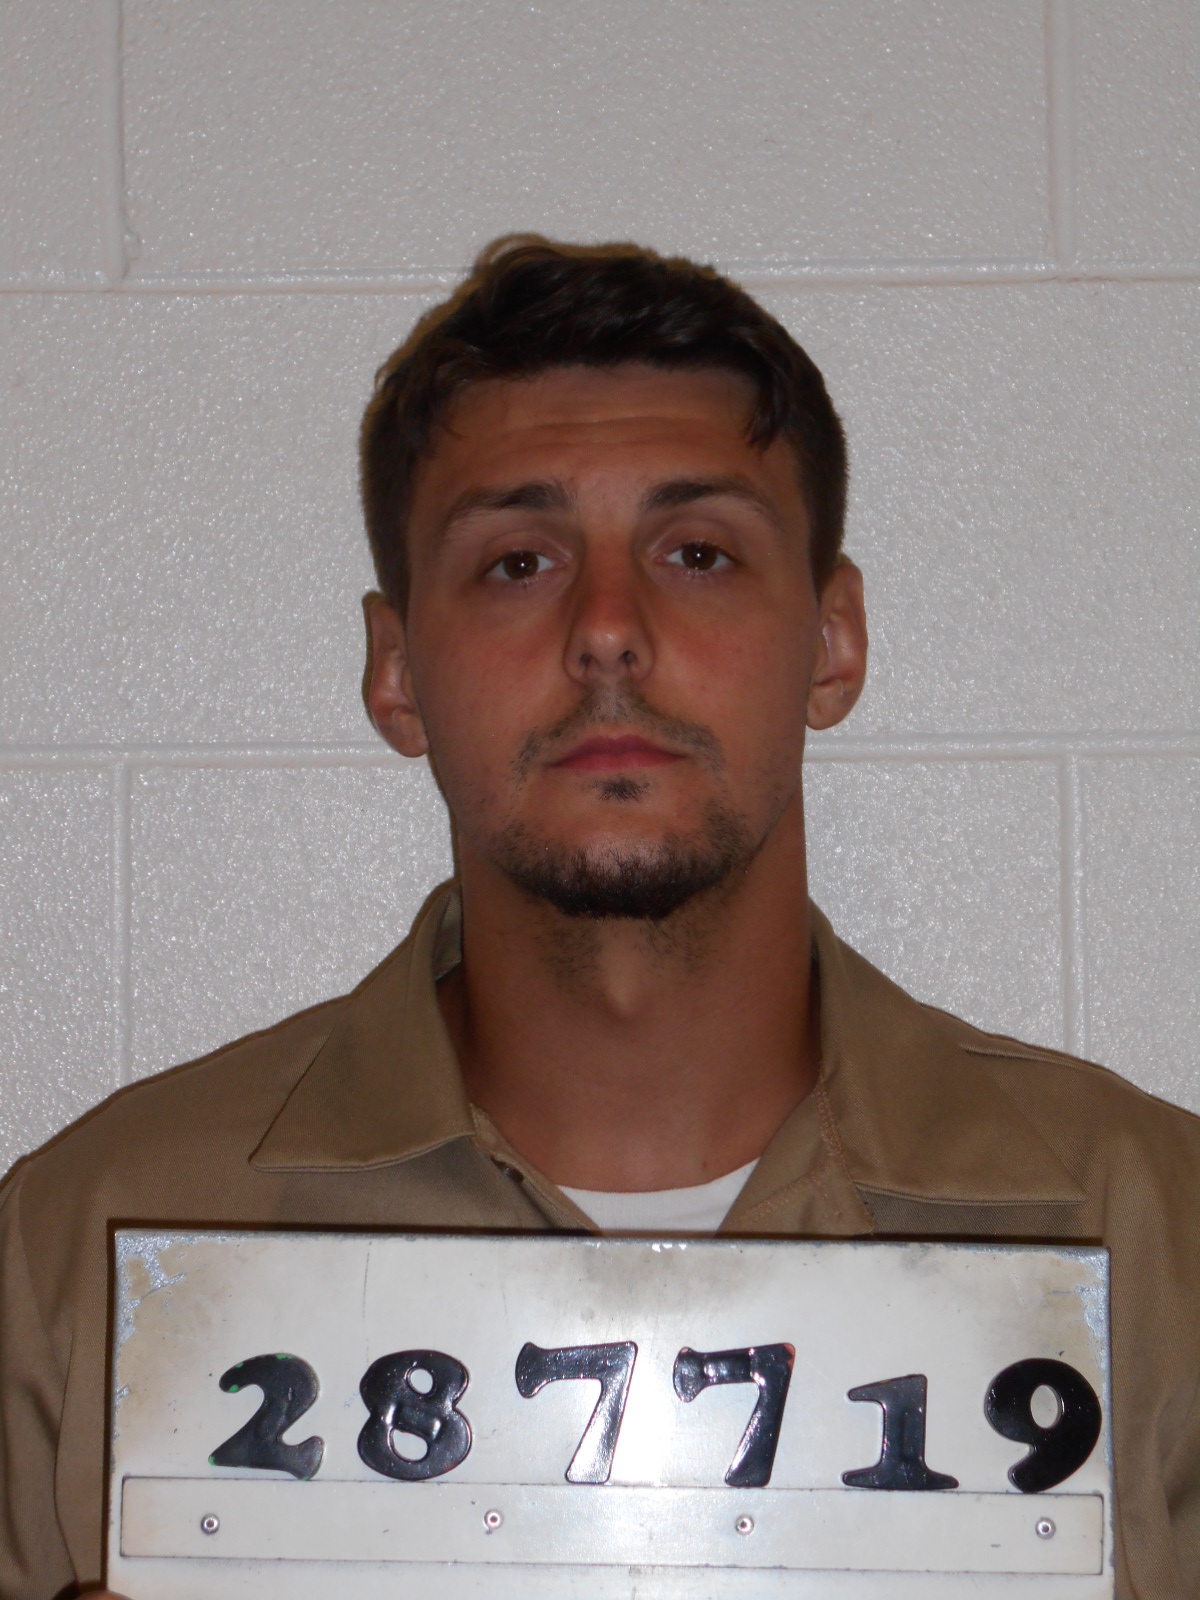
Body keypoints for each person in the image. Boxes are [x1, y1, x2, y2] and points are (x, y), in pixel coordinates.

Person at [1, 239, 1196, 1600]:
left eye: (699, 553)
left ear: (833, 642)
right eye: (519, 562)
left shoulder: (1162, 1241)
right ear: (398, 673)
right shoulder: (78, 1255)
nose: (609, 629)